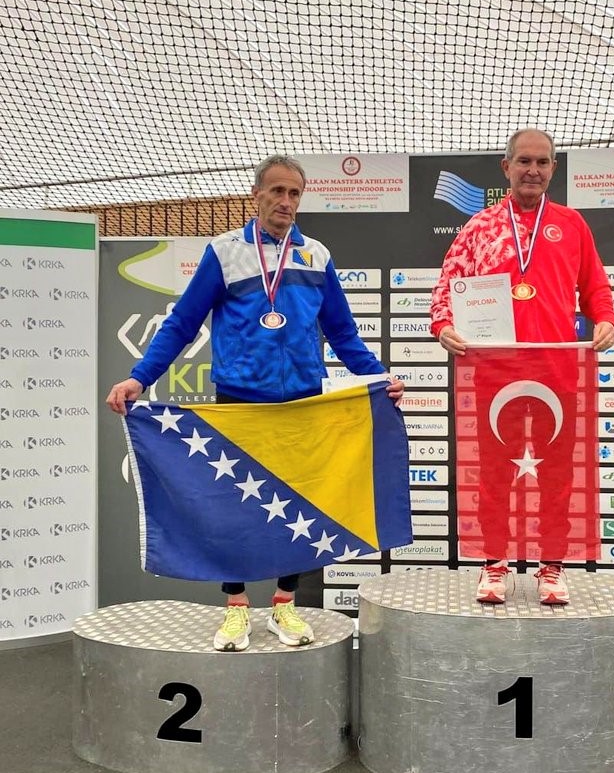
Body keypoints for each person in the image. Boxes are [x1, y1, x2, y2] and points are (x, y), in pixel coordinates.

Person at [106, 154, 404, 651]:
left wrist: (378, 376)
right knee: (234, 508)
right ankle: (236, 609)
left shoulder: (316, 255)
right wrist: (140, 378)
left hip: (302, 405)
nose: (285, 201)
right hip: (239, 403)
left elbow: (342, 332)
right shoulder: (224, 252)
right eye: (277, 191)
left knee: (299, 506)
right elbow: (181, 324)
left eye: (294, 193)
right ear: (257, 194)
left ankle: (285, 605)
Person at [430, 129, 614, 605]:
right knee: (495, 473)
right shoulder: (480, 227)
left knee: (557, 475)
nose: (533, 170)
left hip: (558, 367)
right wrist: (443, 325)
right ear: (507, 167)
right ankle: (494, 564)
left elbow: (596, 287)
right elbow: (447, 285)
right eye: (524, 161)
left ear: (553, 168)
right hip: (496, 370)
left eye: (542, 162)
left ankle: (551, 567)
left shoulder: (572, 224)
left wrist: (607, 319)